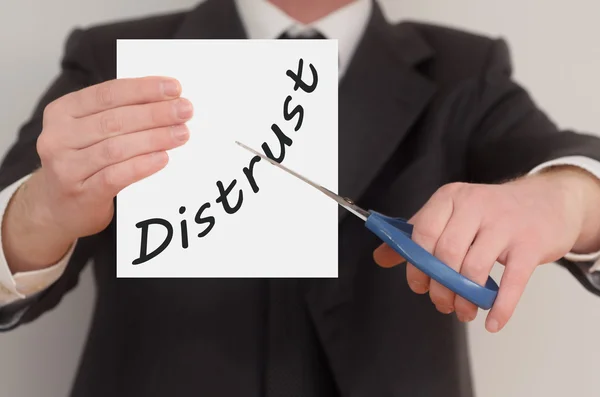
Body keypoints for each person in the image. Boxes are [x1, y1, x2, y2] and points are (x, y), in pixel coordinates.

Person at [0, 0, 599, 395]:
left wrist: (563, 200)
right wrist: (44, 210)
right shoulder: (112, 59)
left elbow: (575, 169)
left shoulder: (465, 71)